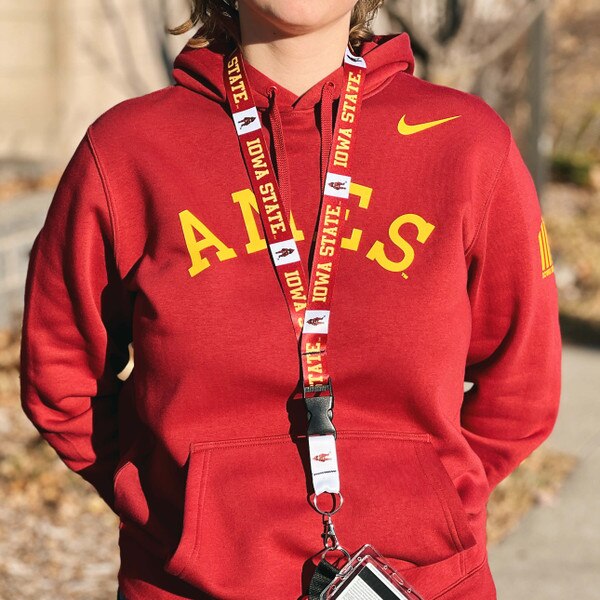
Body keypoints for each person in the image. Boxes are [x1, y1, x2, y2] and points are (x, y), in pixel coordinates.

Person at [19, 1, 562, 599]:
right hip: (188, 587)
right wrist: (173, 513)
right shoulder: (128, 150)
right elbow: (61, 376)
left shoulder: (467, 143)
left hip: (422, 583)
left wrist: (435, 505)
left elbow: (523, 387)